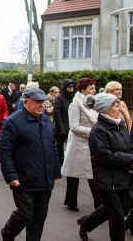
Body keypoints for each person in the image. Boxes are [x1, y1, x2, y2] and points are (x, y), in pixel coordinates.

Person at [0, 87, 61, 241]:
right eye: (38, 102)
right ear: (25, 102)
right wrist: (11, 176)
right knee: (25, 214)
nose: (42, 106)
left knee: (39, 218)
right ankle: (8, 232)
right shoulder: (13, 122)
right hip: (23, 179)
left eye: (43, 102)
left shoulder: (46, 120)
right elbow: (5, 151)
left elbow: (52, 146)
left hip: (45, 179)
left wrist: (55, 170)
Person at [77, 92, 133, 241]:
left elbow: (128, 147)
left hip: (122, 176)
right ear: (106, 108)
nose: (120, 108)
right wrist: (131, 159)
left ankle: (86, 222)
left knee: (109, 210)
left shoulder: (120, 125)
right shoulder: (98, 130)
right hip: (106, 181)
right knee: (117, 215)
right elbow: (106, 157)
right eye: (116, 105)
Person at [61, 77, 101, 211]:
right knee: (74, 174)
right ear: (83, 90)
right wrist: (95, 132)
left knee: (92, 174)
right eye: (91, 88)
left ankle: (99, 203)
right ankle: (71, 201)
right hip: (78, 144)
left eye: (94, 88)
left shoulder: (92, 103)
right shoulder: (75, 104)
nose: (94, 90)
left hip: (90, 143)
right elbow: (74, 127)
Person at [53, 79, 75, 166]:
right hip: (61, 127)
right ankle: (59, 163)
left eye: (72, 87)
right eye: (69, 87)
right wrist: (61, 129)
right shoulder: (59, 99)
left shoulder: (72, 98)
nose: (71, 89)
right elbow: (57, 115)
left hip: (71, 125)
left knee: (71, 146)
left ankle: (68, 162)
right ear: (65, 87)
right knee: (59, 146)